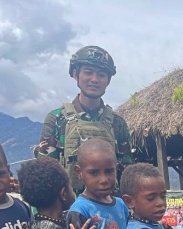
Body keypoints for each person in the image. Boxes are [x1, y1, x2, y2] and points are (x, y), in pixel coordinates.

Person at [35, 45, 132, 194]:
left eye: (101, 75)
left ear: (108, 80)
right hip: (68, 207)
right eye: (88, 72)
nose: (94, 79)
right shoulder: (57, 119)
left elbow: (126, 175)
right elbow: (44, 174)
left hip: (110, 205)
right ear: (75, 74)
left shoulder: (117, 123)